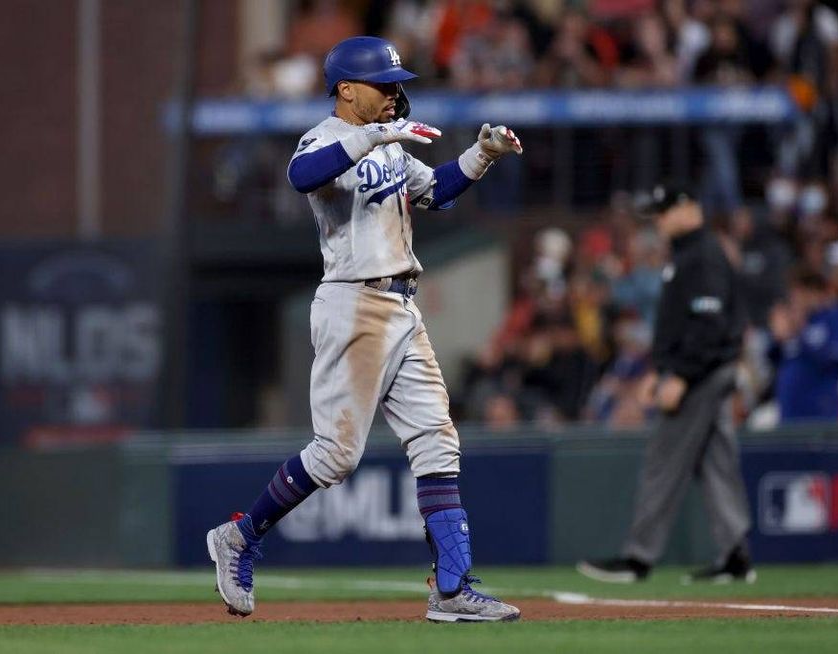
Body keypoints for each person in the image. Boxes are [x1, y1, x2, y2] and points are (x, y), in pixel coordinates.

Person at [205, 36, 523, 623]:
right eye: (385, 83)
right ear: (347, 89)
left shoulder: (391, 142)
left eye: (398, 82)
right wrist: (372, 136)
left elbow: (438, 191)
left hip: (403, 304)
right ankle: (241, 536)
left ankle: (452, 590)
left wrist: (482, 155)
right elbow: (302, 176)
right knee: (335, 456)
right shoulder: (325, 138)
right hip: (353, 303)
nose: (396, 93)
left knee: (437, 438)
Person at [577, 184, 755, 584]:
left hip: (702, 372)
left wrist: (679, 375)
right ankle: (736, 557)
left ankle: (638, 559)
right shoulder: (691, 253)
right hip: (705, 368)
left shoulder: (704, 254)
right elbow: (681, 324)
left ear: (689, 207)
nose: (659, 220)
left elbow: (708, 324)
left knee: (663, 461)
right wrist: (659, 369)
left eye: (665, 210)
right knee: (716, 463)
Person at [769, 267, 838, 422]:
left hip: (821, 408)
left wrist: (801, 331)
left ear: (814, 291)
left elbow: (837, 358)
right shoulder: (789, 320)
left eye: (800, 292)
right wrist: (778, 339)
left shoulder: (834, 318)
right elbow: (773, 360)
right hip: (790, 407)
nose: (795, 298)